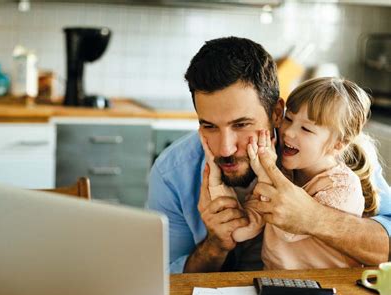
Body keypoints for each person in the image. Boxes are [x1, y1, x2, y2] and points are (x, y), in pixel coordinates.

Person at [147, 36, 391, 274]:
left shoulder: (331, 154)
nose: (225, 149)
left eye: (241, 125)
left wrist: (314, 218)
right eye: (209, 126)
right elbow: (163, 280)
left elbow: (386, 244)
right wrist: (215, 245)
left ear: (277, 113)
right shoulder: (172, 173)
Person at [202, 77, 379, 269]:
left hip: (328, 288)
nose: (288, 132)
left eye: (306, 128)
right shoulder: (285, 173)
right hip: (276, 284)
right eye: (289, 119)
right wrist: (216, 183)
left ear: (338, 144)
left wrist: (264, 171)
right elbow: (242, 231)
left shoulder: (343, 187)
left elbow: (289, 227)